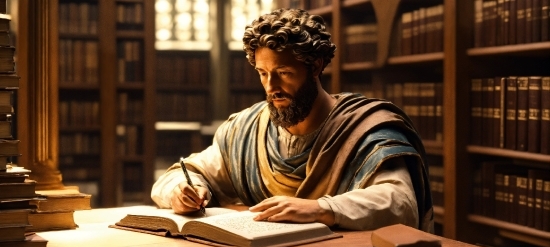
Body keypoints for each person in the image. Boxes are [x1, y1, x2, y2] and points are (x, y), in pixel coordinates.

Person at [151, 8, 434, 232]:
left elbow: (400, 202)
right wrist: (182, 192)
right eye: (263, 73)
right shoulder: (246, 131)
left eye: (283, 72)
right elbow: (182, 174)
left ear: (315, 67)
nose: (271, 86)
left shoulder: (365, 128)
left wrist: (322, 209)